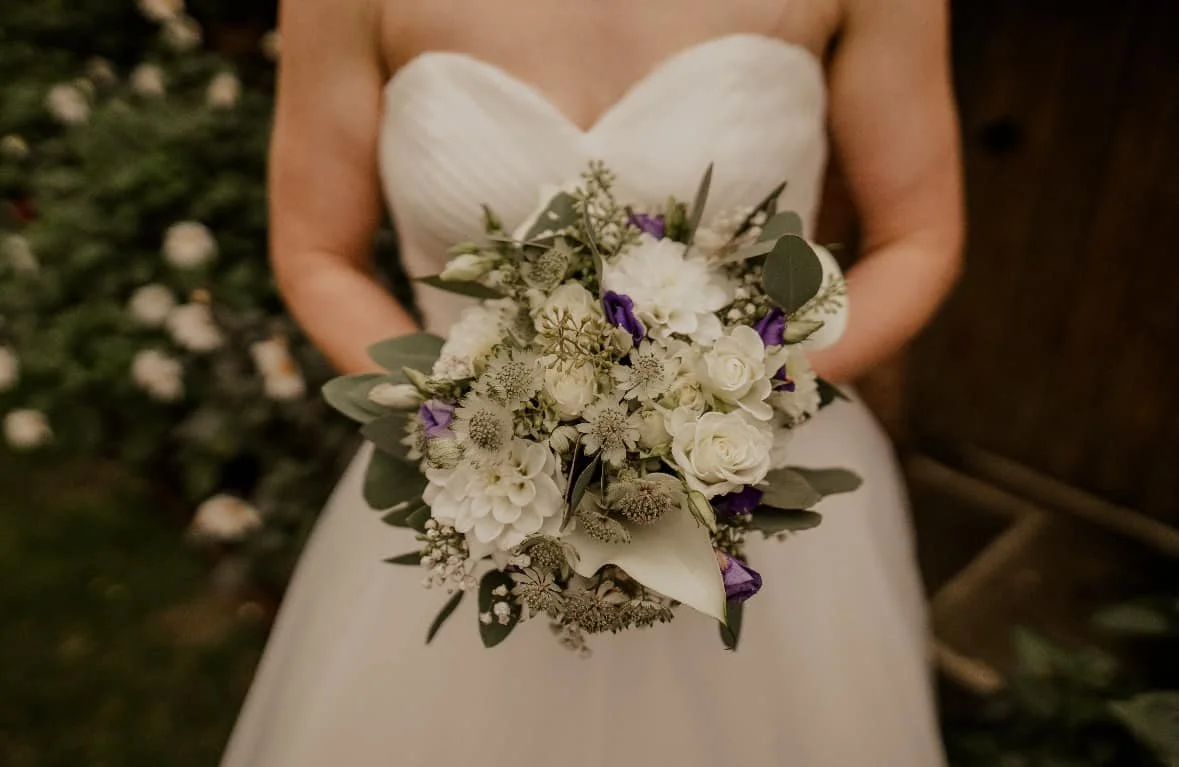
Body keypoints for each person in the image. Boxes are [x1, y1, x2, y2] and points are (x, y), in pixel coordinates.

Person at [222, 0, 963, 764]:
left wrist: (725, 399)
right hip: (481, 492)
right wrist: (473, 413)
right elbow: (316, 253)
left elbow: (917, 236)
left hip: (759, 481)